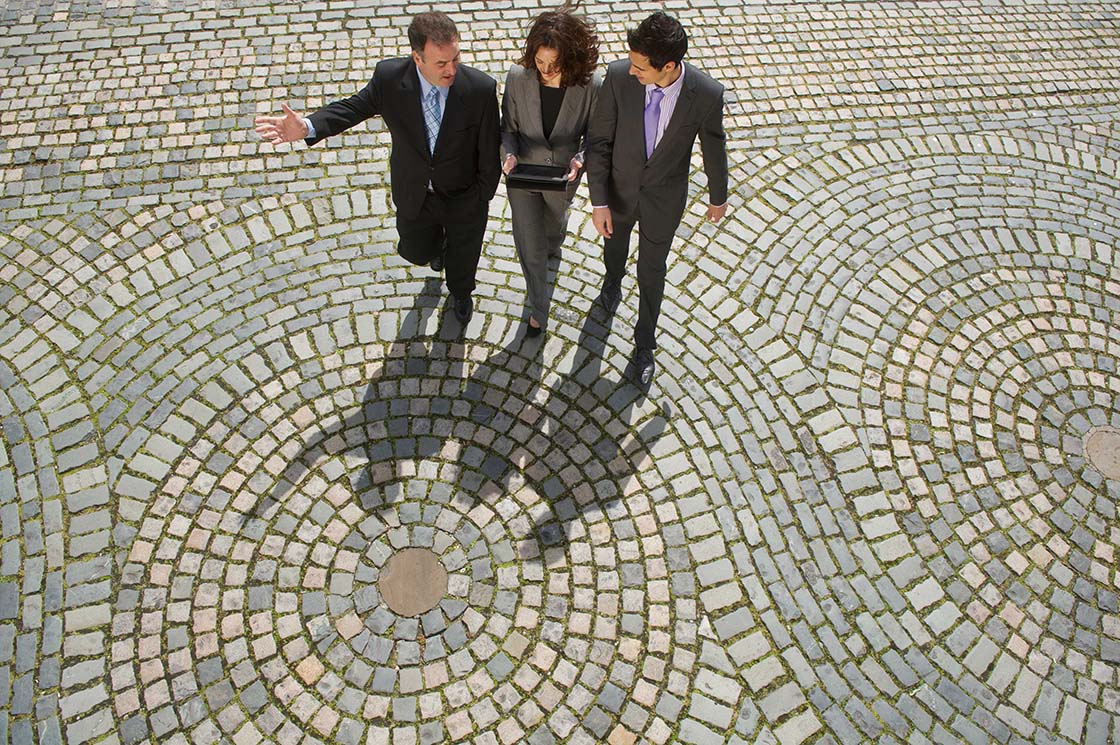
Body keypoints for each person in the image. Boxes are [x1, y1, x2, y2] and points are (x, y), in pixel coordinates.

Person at [254, 12, 500, 325]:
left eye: (456, 59)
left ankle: (462, 293)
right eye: (441, 64)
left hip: (464, 196)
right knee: (416, 250)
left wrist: (482, 195)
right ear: (417, 57)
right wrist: (306, 126)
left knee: (464, 258)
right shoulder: (390, 79)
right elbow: (353, 108)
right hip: (416, 193)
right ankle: (437, 250)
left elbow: (489, 147)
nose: (451, 69)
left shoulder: (479, 89)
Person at [585, 11, 728, 388]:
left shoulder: (707, 94)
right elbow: (598, 143)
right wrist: (599, 201)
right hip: (617, 192)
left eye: (640, 67)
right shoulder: (617, 78)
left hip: (664, 201)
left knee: (652, 272)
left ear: (668, 66)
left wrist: (718, 197)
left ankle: (644, 345)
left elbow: (713, 146)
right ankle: (612, 279)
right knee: (614, 249)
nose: (632, 72)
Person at [500, 6, 600, 337]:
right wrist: (509, 154)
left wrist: (580, 159)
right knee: (530, 243)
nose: (544, 70)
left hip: (562, 177)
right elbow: (507, 129)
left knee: (552, 229)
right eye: (540, 62)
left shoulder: (590, 86)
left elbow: (594, 135)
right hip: (524, 174)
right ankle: (538, 310)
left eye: (553, 65)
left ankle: (555, 241)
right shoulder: (517, 77)